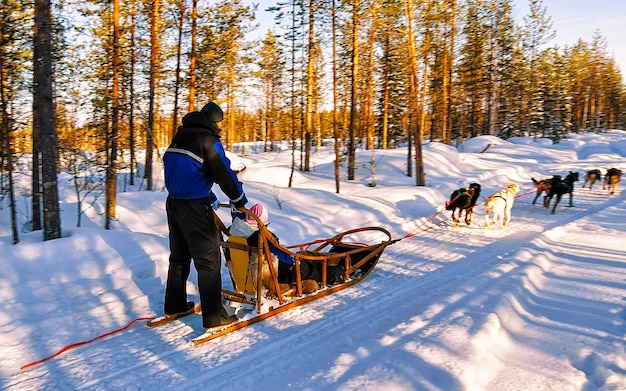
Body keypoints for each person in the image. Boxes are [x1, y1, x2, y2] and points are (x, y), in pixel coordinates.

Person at [162, 101, 247, 331]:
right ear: (213, 123)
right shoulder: (208, 140)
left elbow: (186, 170)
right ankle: (214, 318)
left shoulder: (180, 136)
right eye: (219, 124)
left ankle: (175, 304)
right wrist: (239, 200)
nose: (220, 128)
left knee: (179, 256)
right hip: (195, 207)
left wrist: (205, 192)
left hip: (174, 204)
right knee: (208, 261)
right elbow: (224, 174)